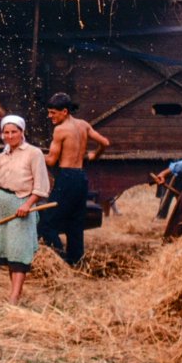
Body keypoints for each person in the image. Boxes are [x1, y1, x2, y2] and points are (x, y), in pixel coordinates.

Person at [0, 114, 50, 306]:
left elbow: (41, 186)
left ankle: (14, 297)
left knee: (20, 251)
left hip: (21, 206)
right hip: (1, 205)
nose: (10, 136)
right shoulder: (2, 157)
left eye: (14, 132)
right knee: (9, 251)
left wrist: (27, 205)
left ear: (22, 132)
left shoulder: (33, 154)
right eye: (6, 132)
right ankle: (14, 293)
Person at [38, 93, 110, 265]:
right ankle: (75, 263)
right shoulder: (83, 125)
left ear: (64, 111)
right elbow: (105, 143)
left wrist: (34, 153)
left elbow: (51, 161)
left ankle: (59, 260)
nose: (50, 116)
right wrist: (94, 155)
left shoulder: (60, 130)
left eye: (53, 113)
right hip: (80, 177)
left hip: (67, 178)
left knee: (46, 224)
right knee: (75, 224)